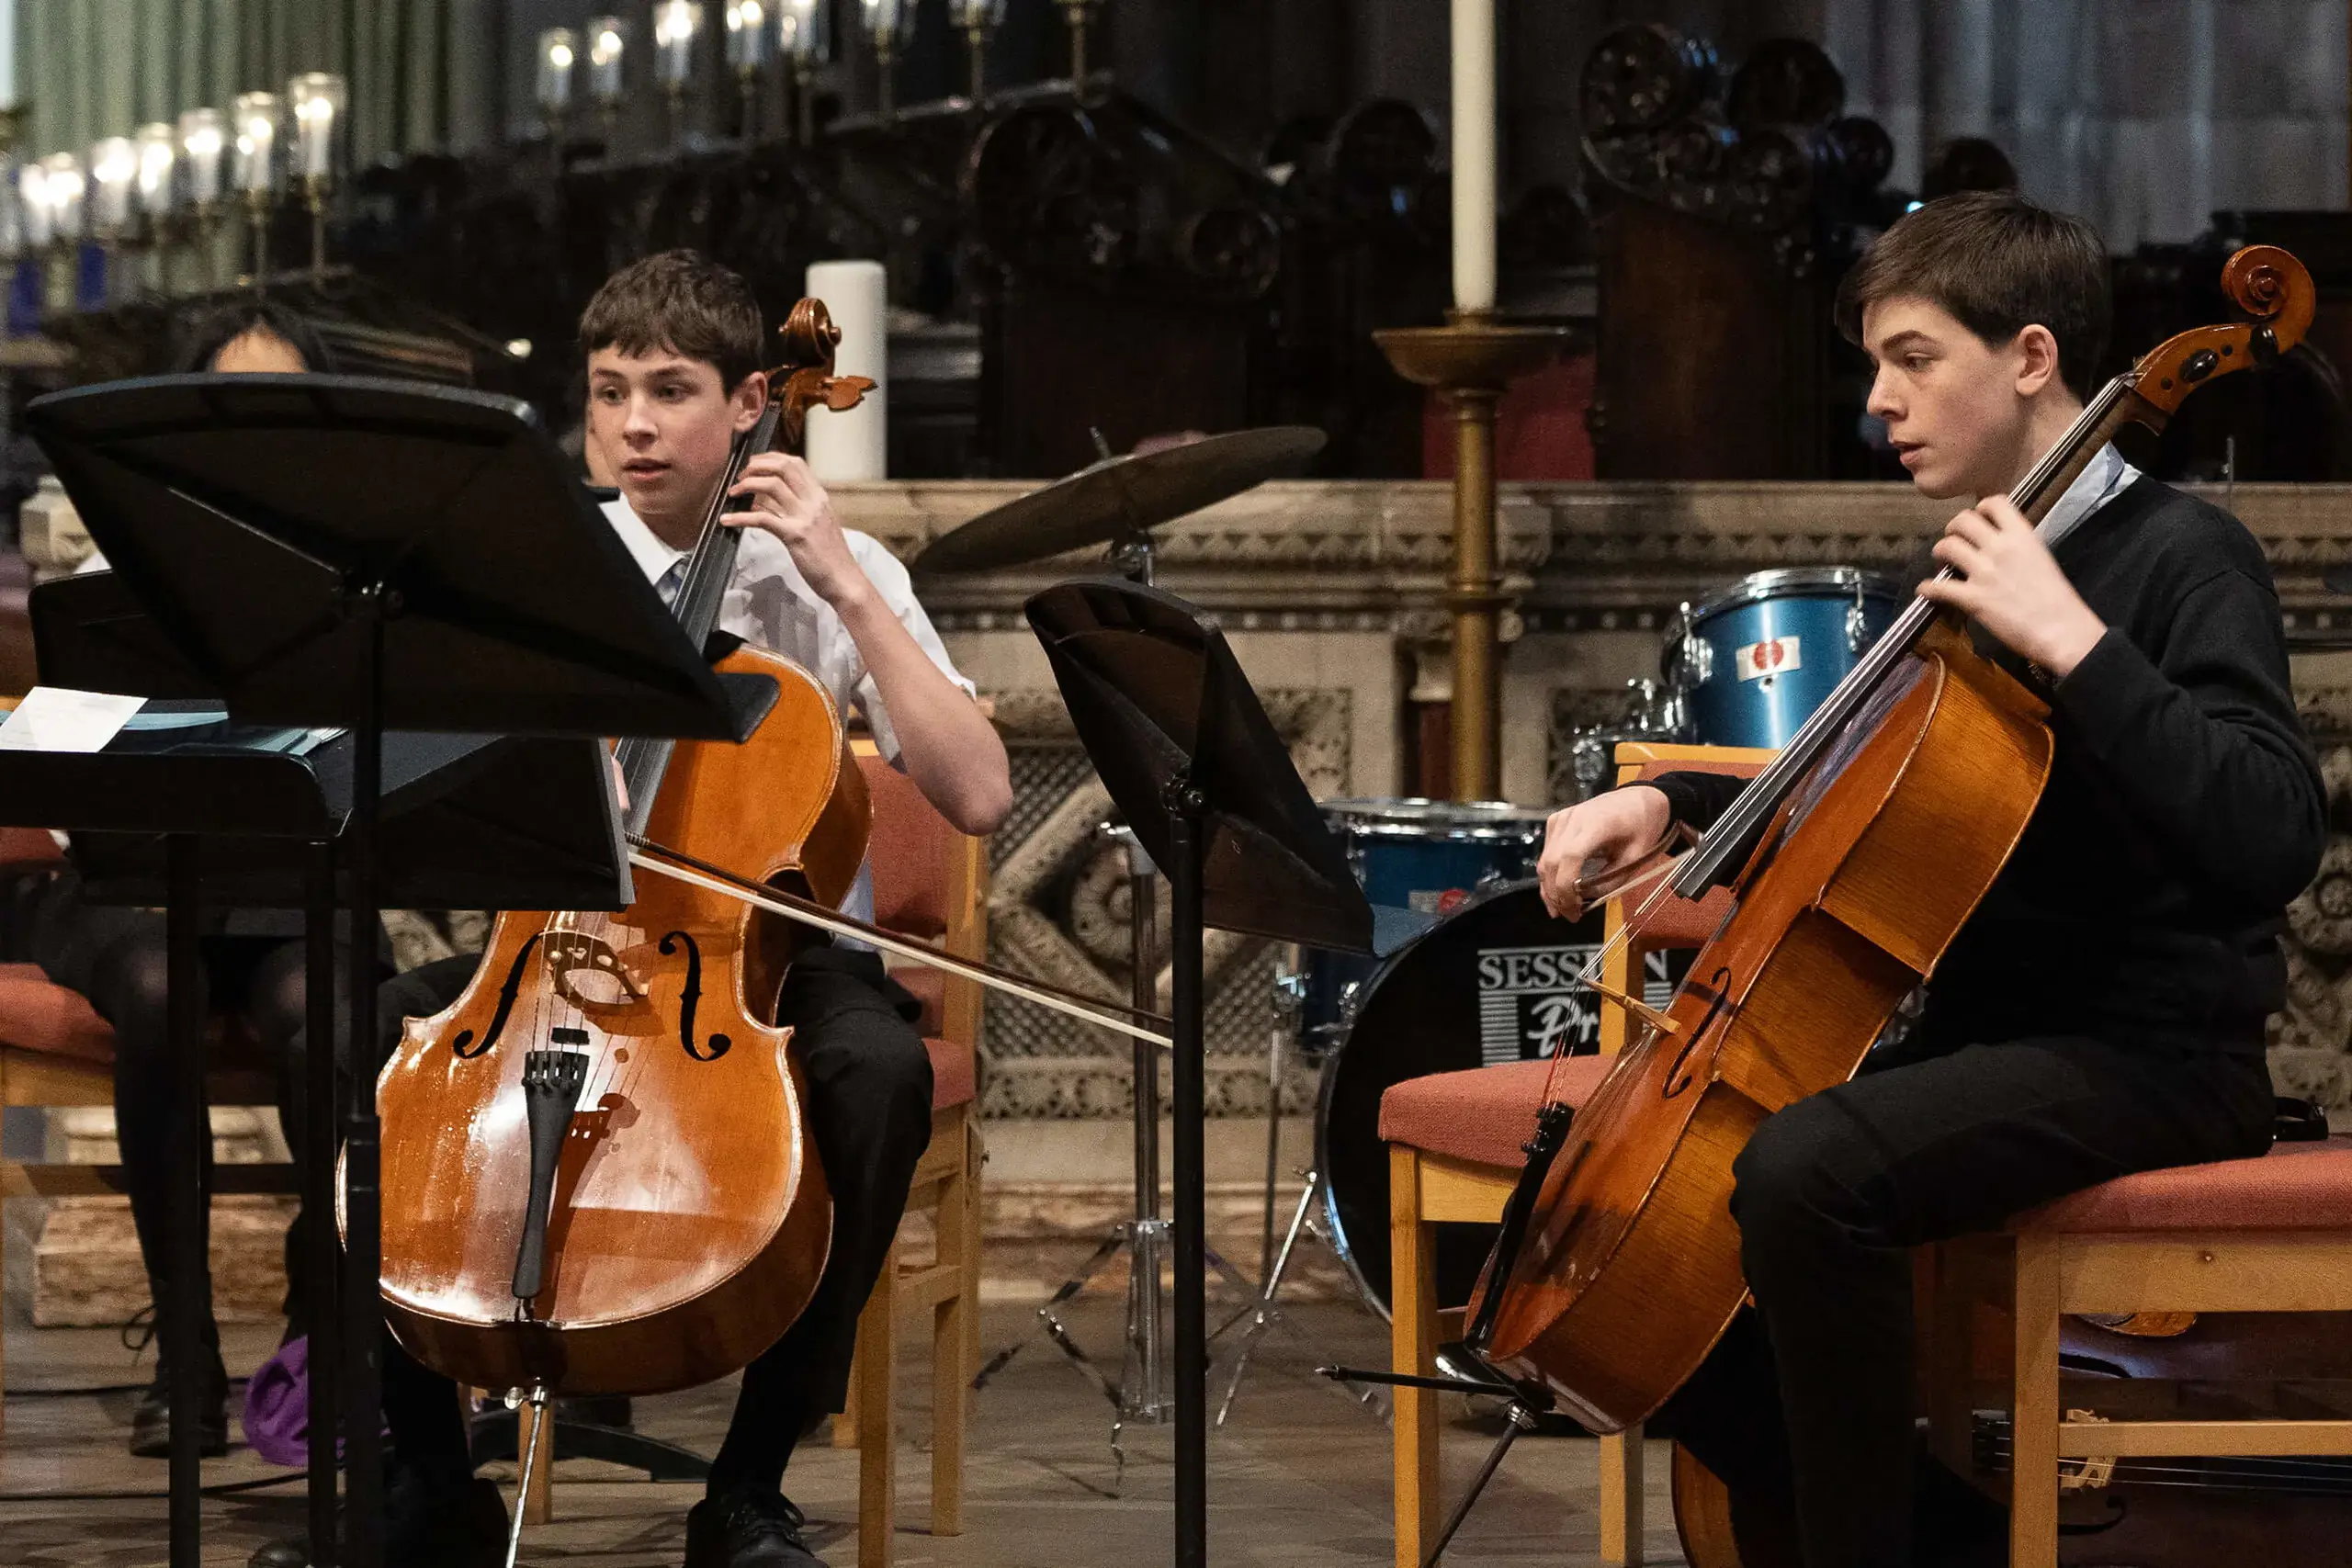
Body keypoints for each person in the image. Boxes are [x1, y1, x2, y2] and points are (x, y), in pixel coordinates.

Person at [1534, 190, 2324, 1568]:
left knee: (1804, 1172)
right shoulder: (1958, 569)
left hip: (2152, 1048)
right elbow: (1859, 794)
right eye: (1873, 367)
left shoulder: (2186, 557)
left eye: (1913, 358)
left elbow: (2270, 830)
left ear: (2030, 357)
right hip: (1984, 1040)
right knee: (1634, 1270)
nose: (1879, 402)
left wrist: (2073, 640)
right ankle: (1944, 1541)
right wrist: (1662, 799)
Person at [271, 250, 1012, 1568]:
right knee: (351, 1028)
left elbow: (978, 791)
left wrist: (843, 581)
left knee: (879, 1068)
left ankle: (745, 1491)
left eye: (671, 390)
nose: (634, 424)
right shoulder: (546, 566)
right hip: (550, 940)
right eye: (610, 391)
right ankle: (431, 1480)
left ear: (748, 406)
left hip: (768, 959)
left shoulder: (836, 573)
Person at [2, 301, 342, 1460]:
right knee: (155, 986)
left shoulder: (356, 579)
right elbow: (66, 776)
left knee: (322, 1011)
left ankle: (316, 1331)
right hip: (131, 894)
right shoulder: (122, 555)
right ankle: (187, 1349)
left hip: (292, 892)